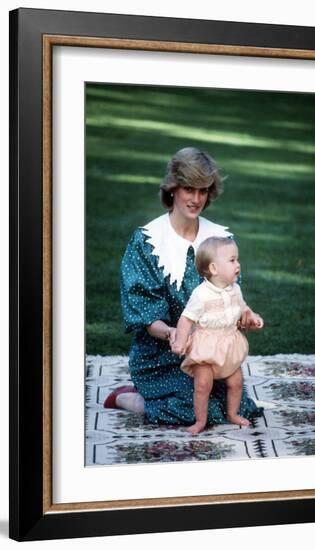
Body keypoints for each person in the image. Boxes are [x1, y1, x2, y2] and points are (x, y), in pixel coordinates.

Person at [104, 147, 264, 426]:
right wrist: (173, 333)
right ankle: (128, 397)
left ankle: (161, 400)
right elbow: (146, 315)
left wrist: (242, 317)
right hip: (161, 356)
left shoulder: (220, 239)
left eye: (203, 190)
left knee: (238, 407)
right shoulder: (147, 242)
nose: (196, 199)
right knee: (193, 410)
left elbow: (230, 297)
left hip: (210, 354)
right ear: (172, 189)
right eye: (189, 189)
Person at [171, 237, 263, 434]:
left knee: (236, 382)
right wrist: (180, 341)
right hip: (206, 347)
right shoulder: (201, 294)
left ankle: (232, 413)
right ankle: (200, 421)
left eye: (237, 259)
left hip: (228, 344)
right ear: (214, 268)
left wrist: (251, 316)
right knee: (203, 385)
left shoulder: (235, 290)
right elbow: (186, 319)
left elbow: (243, 307)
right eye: (232, 260)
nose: (238, 264)